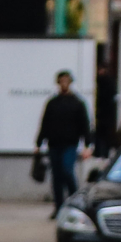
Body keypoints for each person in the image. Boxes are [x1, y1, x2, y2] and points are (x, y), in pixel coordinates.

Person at [36, 71, 92, 205]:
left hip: (70, 143)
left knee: (67, 170)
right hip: (54, 143)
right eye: (62, 81)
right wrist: (39, 143)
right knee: (56, 176)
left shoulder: (77, 103)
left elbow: (85, 125)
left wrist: (87, 145)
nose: (64, 84)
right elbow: (45, 123)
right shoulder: (52, 103)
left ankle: (74, 200)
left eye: (66, 81)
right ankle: (59, 206)